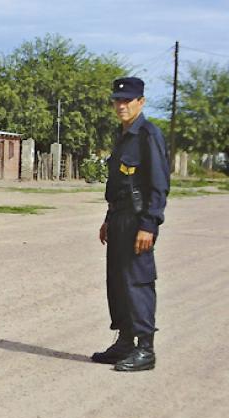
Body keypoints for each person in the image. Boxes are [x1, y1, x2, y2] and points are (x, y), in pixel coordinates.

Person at [93, 77, 170, 372]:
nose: (121, 105)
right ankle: (125, 342)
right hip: (119, 217)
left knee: (138, 282)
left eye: (128, 100)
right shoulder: (122, 135)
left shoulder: (148, 135)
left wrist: (149, 225)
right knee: (118, 283)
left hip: (139, 220)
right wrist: (108, 218)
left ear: (141, 102)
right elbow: (120, 184)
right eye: (117, 100)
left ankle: (145, 349)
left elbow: (159, 185)